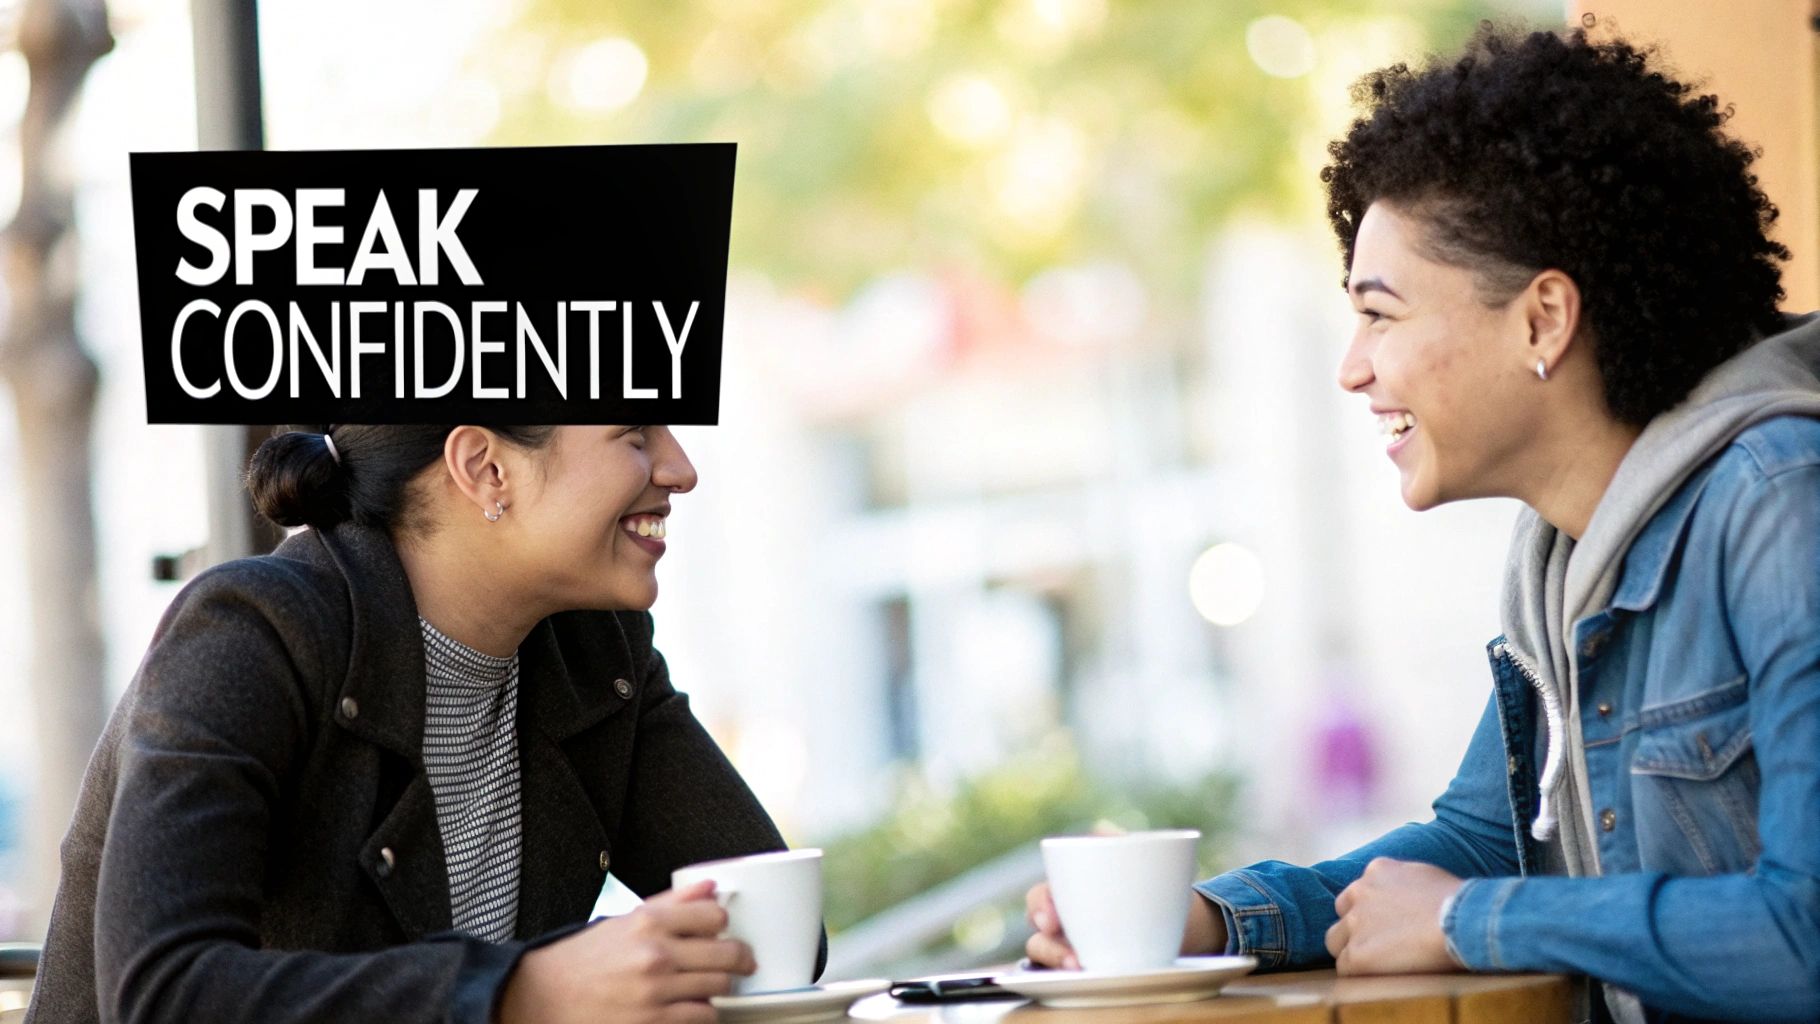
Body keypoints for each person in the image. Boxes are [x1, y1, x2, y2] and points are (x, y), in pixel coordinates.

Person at [1026, 24, 1820, 1024]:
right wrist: (1210, 925)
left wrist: (1472, 923)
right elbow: (1477, 844)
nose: (1351, 367)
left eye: (1379, 314)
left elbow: (1805, 933)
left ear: (1540, 320)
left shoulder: (1777, 506)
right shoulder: (1563, 559)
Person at [27, 423, 819, 1024]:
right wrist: (520, 993)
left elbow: (779, 931)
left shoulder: (592, 656)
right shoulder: (252, 633)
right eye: (635, 435)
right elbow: (164, 995)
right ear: (485, 468)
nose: (680, 468)